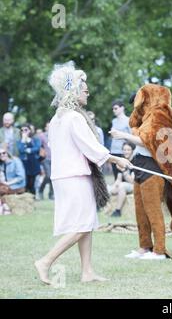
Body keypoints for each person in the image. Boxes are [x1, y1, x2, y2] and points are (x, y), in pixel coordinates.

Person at [34, 61, 132, 285]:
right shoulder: (74, 118)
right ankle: (45, 261)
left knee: (86, 223)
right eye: (84, 88)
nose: (87, 91)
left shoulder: (57, 119)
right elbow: (90, 146)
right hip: (74, 176)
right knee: (81, 225)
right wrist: (117, 159)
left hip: (64, 176)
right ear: (74, 91)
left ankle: (87, 272)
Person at [108, 142, 135, 217]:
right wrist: (115, 185)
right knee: (108, 188)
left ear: (132, 151)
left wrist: (124, 171)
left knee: (122, 186)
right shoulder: (122, 161)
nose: (126, 151)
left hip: (134, 186)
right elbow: (119, 178)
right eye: (124, 150)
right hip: (122, 185)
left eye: (128, 150)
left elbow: (132, 181)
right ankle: (103, 208)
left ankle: (118, 211)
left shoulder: (135, 162)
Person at [17, 123, 42, 195]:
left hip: (33, 164)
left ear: (29, 131)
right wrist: (23, 140)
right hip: (23, 164)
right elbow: (21, 150)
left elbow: (37, 148)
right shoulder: (19, 141)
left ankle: (33, 197)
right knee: (26, 183)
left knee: (32, 183)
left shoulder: (35, 139)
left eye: (26, 130)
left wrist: (29, 150)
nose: (24, 131)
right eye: (22, 130)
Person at [109, 100, 131, 180]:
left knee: (124, 176)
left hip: (124, 152)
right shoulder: (114, 121)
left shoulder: (128, 120)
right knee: (116, 176)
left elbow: (131, 136)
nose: (114, 110)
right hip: (114, 151)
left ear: (122, 108)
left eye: (115, 108)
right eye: (113, 109)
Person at [38, 122, 54, 200]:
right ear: (45, 128)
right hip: (46, 159)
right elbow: (39, 146)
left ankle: (51, 194)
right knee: (48, 176)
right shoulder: (42, 136)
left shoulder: (56, 135)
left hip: (55, 159)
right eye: (48, 127)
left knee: (53, 177)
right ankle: (40, 190)